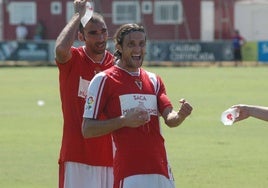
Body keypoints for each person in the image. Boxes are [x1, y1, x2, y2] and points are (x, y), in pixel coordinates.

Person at [82, 23, 193, 188]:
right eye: (131, 44)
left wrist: (181, 115)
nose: (137, 49)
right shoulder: (103, 80)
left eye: (142, 44)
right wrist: (123, 121)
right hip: (129, 174)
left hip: (161, 171)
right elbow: (87, 129)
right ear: (119, 46)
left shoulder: (154, 80)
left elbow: (170, 118)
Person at [54, 0, 114, 187]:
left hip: (110, 157)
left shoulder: (115, 65)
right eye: (93, 33)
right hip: (76, 155)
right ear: (81, 36)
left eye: (103, 31)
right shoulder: (74, 59)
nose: (100, 37)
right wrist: (78, 15)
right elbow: (60, 50)